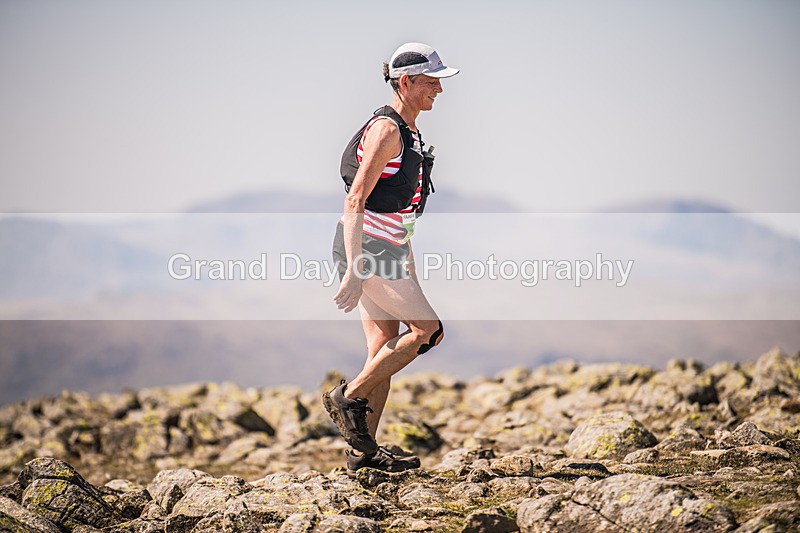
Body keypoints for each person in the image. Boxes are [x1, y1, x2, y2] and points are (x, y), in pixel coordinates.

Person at [322, 42, 459, 476]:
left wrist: (409, 263)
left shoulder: (410, 130)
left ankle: (365, 455)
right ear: (406, 81)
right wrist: (356, 268)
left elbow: (399, 212)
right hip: (368, 250)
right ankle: (347, 398)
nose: (439, 88)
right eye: (432, 80)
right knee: (428, 330)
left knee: (383, 346)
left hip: (391, 248)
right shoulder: (388, 130)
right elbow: (356, 199)